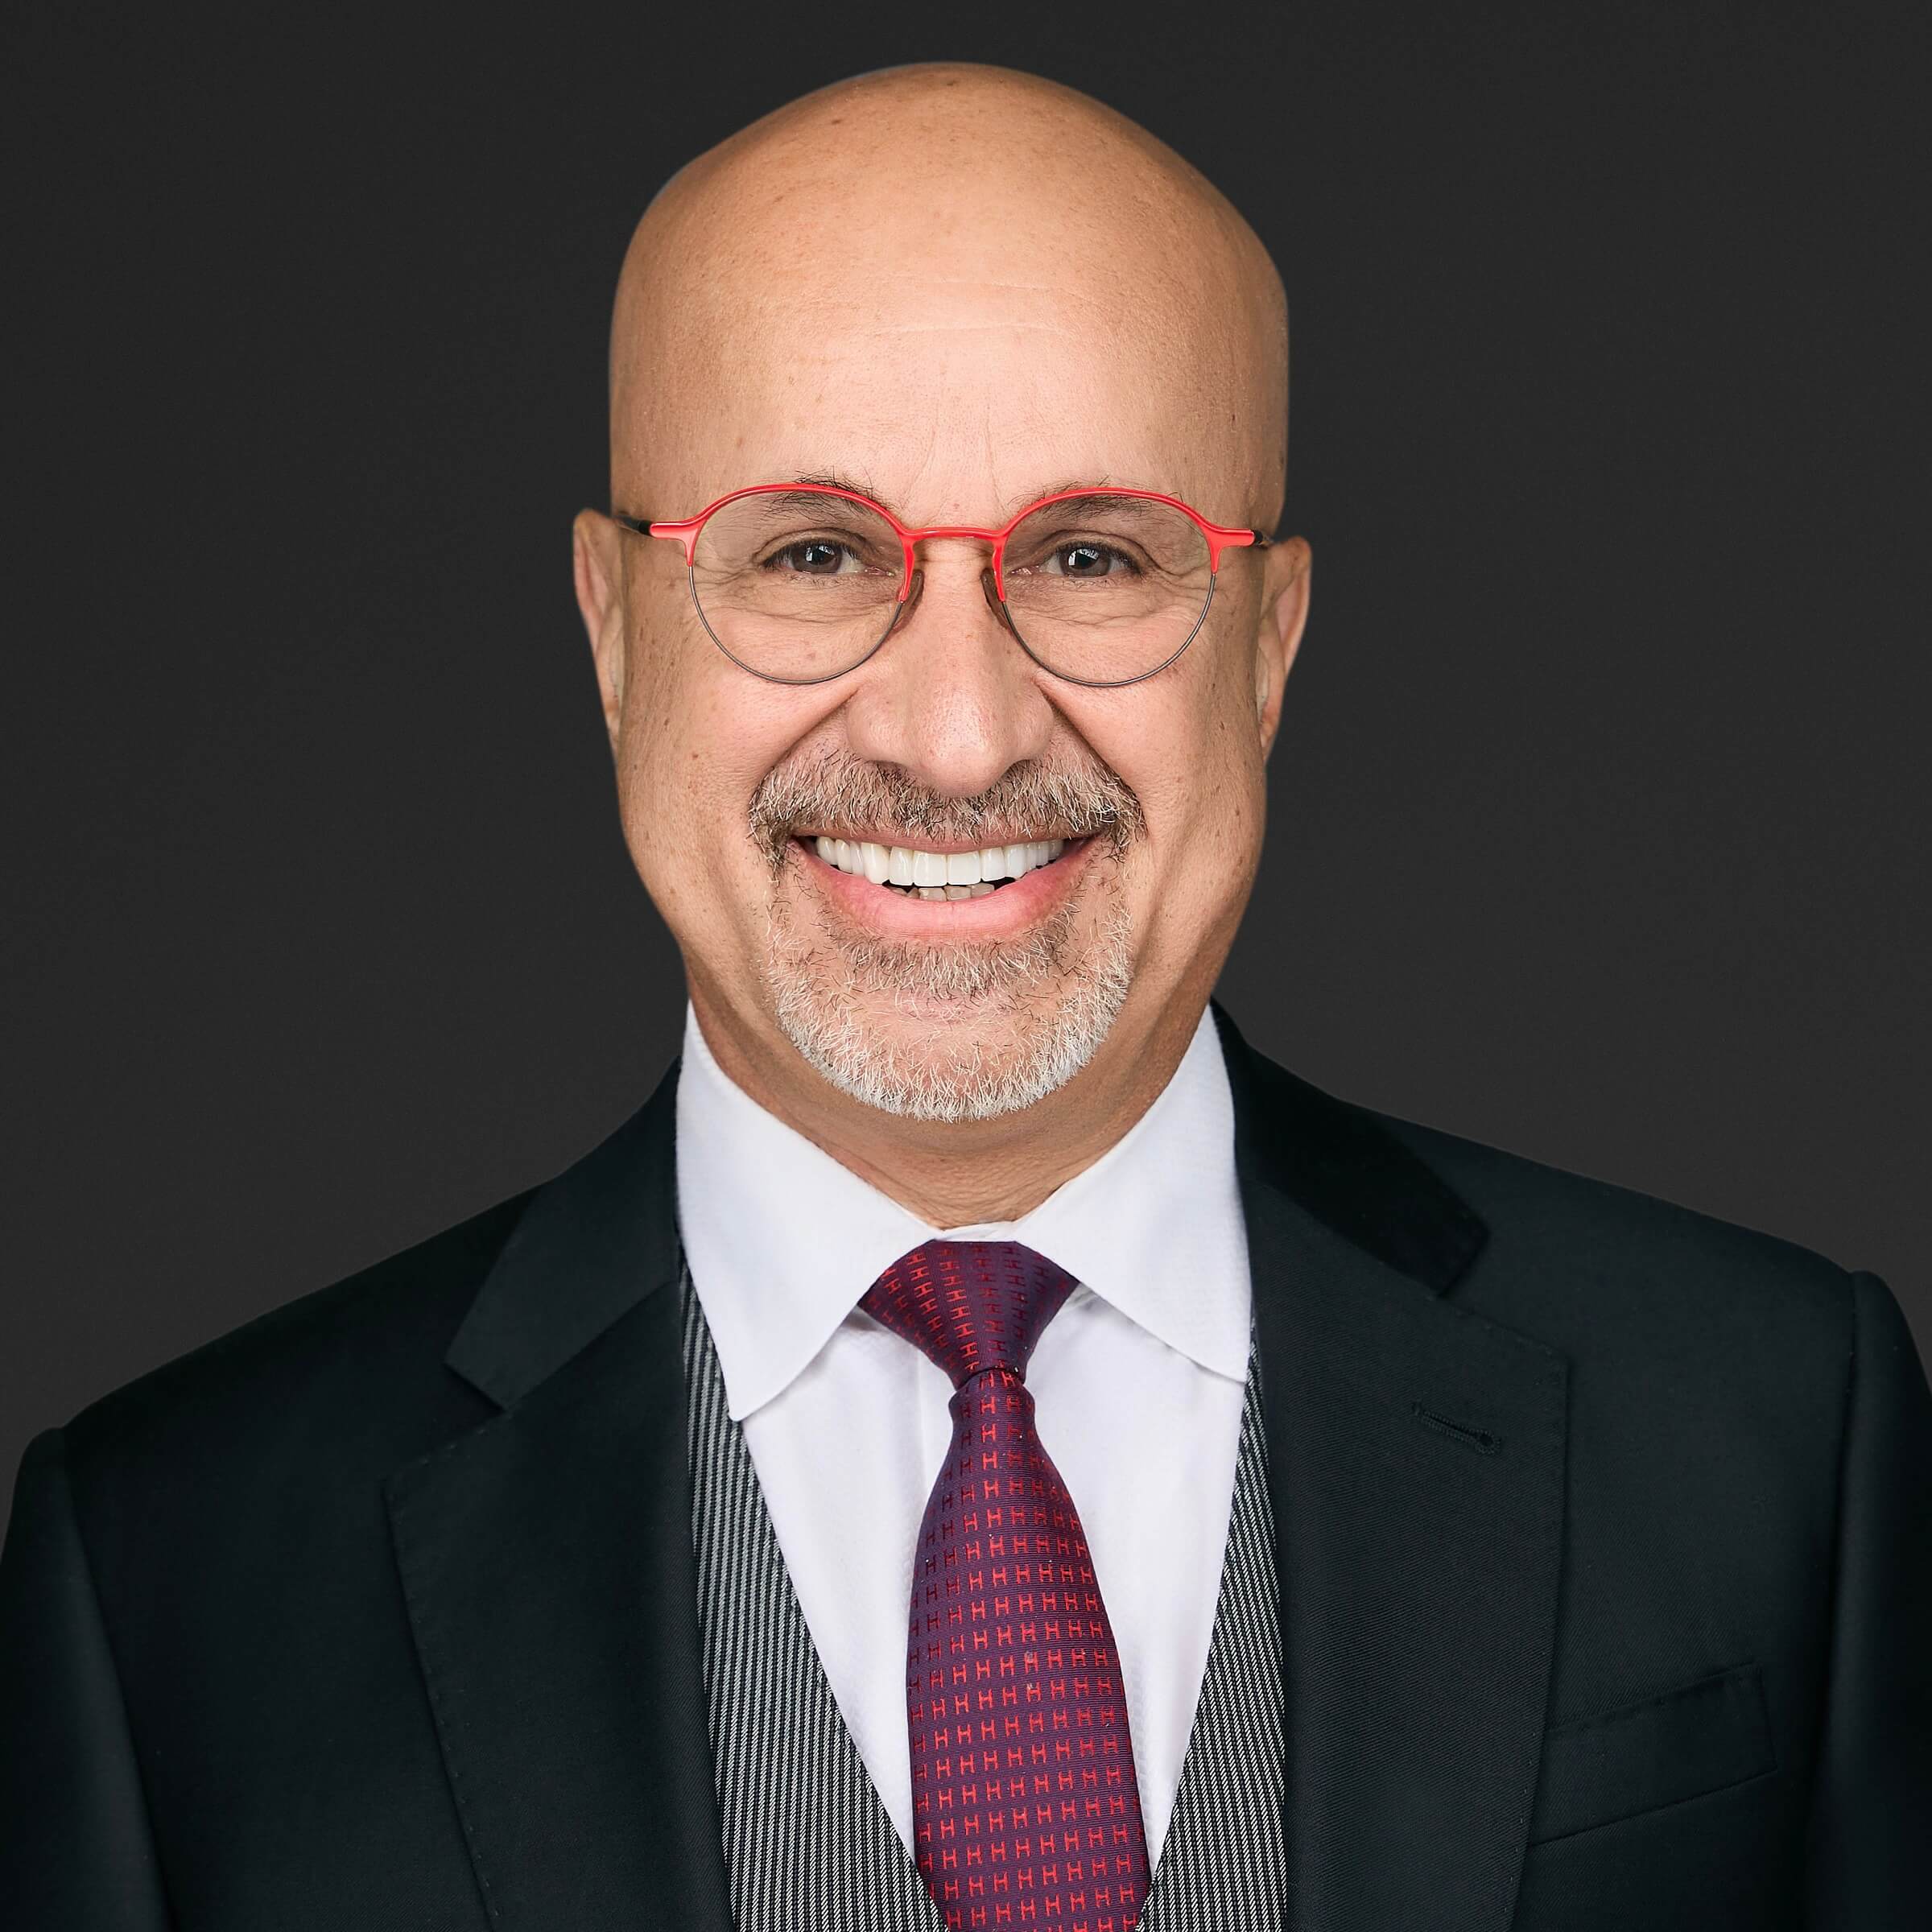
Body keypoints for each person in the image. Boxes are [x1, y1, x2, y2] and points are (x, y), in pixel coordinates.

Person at [2, 58, 1926, 1932]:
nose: (953, 733)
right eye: (812, 555)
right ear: (614, 638)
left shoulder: (1774, 1431)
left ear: (1266, 648)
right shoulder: (169, 1576)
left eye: (1092, 558)